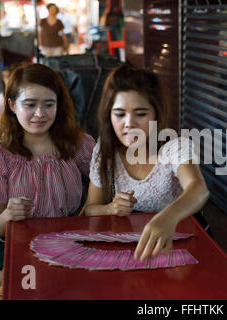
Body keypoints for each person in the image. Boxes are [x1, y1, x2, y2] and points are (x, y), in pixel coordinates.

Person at [0, 63, 95, 284]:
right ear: (12, 105)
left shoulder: (78, 144)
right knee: (31, 285)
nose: (39, 114)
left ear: (59, 105)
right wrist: (8, 216)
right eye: (30, 104)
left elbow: (105, 182)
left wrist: (89, 210)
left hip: (67, 234)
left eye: (48, 104)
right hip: (11, 240)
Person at [84, 63, 210, 261]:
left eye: (140, 114)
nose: (129, 123)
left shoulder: (174, 147)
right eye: (119, 114)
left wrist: (167, 218)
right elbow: (90, 208)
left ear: (156, 114)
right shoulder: (105, 150)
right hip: (131, 250)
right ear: (108, 116)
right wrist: (110, 209)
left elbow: (199, 189)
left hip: (178, 247)